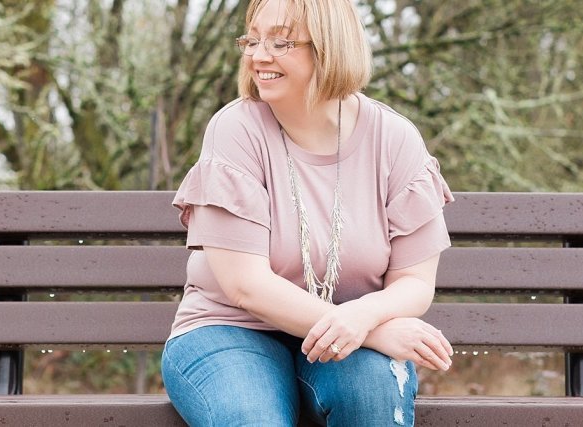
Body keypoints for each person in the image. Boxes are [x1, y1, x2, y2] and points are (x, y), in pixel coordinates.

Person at [162, 0, 455, 425]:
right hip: (229, 330)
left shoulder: (394, 139)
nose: (259, 55)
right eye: (253, 39)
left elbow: (414, 283)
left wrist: (362, 318)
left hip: (348, 341)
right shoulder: (236, 130)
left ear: (330, 47)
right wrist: (372, 330)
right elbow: (246, 287)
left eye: (281, 42)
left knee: (372, 397)